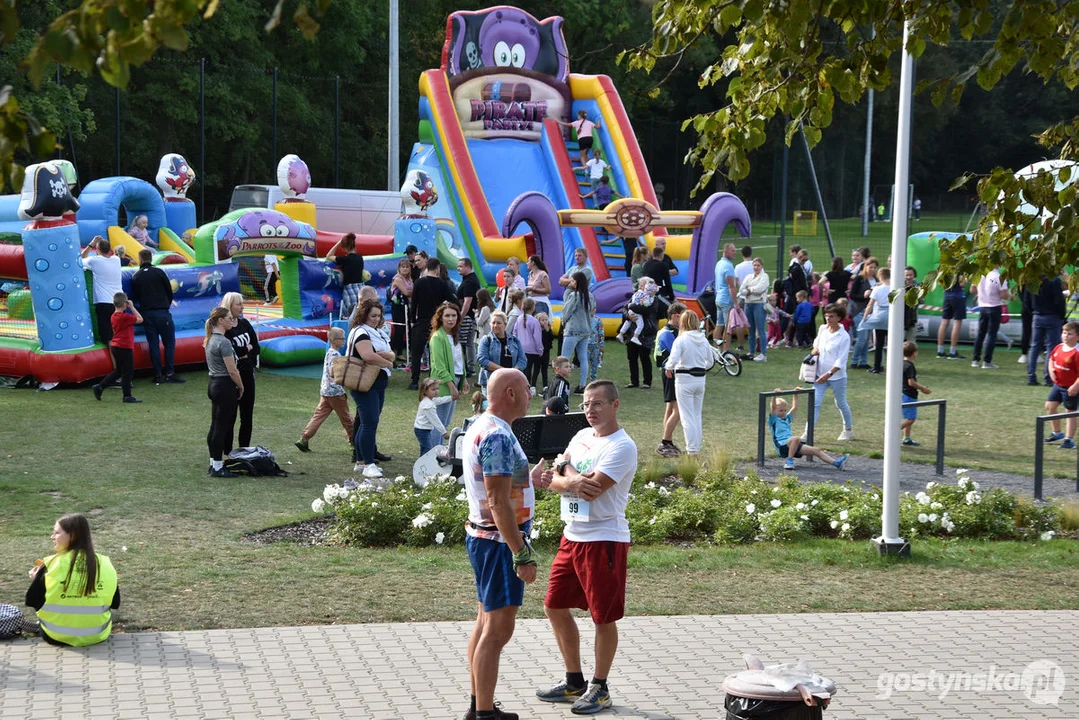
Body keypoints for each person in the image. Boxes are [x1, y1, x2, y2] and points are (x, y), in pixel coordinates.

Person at [537, 380, 638, 715]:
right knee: (554, 605)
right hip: (572, 536)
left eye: (597, 404)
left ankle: (600, 686)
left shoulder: (622, 447)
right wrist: (569, 477)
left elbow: (591, 489)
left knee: (602, 616)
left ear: (615, 405)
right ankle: (573, 681)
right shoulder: (580, 437)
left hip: (604, 539)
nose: (590, 411)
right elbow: (556, 471)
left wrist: (566, 477)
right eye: (586, 405)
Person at [461, 368, 544, 720]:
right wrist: (520, 553)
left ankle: (478, 704)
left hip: (486, 539)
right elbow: (497, 502)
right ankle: (484, 714)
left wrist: (530, 480)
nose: (531, 394)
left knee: (484, 624)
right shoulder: (496, 435)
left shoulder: (484, 426)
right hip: (498, 543)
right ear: (510, 393)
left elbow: (500, 486)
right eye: (527, 389)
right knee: (497, 630)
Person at [26, 513, 120, 647]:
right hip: (98, 635)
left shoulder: (51, 564)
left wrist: (37, 580)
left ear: (73, 535)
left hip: (55, 636)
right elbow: (115, 603)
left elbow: (32, 601)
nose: (52, 537)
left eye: (57, 533)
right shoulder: (105, 563)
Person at [347, 299, 395, 478]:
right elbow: (368, 355)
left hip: (377, 381)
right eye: (372, 315)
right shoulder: (360, 331)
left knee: (368, 422)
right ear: (364, 314)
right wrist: (387, 362)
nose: (376, 319)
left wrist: (385, 357)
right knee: (370, 422)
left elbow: (390, 352)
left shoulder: (376, 332)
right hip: (365, 382)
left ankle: (361, 461)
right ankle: (368, 464)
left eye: (378, 316)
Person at [129, 248, 184, 385]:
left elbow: (135, 295)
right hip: (162, 312)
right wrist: (166, 304)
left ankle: (158, 374)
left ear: (140, 259)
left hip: (147, 314)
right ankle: (170, 373)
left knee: (153, 345)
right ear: (151, 259)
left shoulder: (136, 276)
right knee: (169, 343)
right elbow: (169, 291)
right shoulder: (159, 272)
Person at [295, 327, 353, 452]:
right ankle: (354, 442)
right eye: (341, 338)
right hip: (336, 392)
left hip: (325, 391)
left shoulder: (328, 352)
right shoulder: (336, 355)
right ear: (333, 340)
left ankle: (304, 439)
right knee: (346, 418)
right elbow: (333, 372)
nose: (344, 340)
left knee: (318, 416)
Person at [663, 311, 713, 456]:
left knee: (687, 417)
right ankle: (696, 447)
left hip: (684, 379)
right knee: (696, 415)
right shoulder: (703, 340)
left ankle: (692, 450)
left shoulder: (681, 339)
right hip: (700, 378)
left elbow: (672, 359)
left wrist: (669, 367)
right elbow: (710, 362)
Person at [204, 306, 244, 478]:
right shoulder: (223, 342)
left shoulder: (210, 339)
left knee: (215, 425)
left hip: (214, 384)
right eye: (228, 318)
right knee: (221, 427)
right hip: (224, 385)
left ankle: (213, 462)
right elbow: (232, 370)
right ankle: (218, 467)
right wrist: (241, 386)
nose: (232, 320)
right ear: (220, 320)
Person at [768, 390, 848, 471]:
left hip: (792, 445)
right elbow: (773, 407)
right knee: (796, 438)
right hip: (782, 445)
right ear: (775, 411)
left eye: (785, 410)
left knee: (816, 450)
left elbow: (795, 407)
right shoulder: (774, 419)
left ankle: (837, 464)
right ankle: (789, 461)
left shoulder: (787, 419)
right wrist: (774, 395)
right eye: (781, 410)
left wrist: (795, 394)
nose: (783, 412)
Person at [810, 303, 856, 441]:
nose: (828, 318)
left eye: (831, 316)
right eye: (826, 315)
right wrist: (814, 350)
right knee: (815, 403)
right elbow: (816, 344)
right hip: (819, 374)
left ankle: (848, 430)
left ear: (839, 318)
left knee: (840, 403)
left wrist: (828, 374)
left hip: (837, 377)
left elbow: (841, 361)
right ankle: (808, 432)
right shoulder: (822, 329)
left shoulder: (844, 336)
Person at [221, 293, 260, 448]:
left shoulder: (245, 324)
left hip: (247, 374)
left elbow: (256, 348)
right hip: (231, 376)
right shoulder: (225, 328)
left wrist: (245, 351)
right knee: (230, 416)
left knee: (247, 416)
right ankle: (227, 452)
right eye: (238, 304)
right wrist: (244, 350)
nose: (242, 307)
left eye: (242, 304)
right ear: (229, 306)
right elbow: (234, 352)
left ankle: (244, 449)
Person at [409, 258, 453, 390]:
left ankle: (414, 381)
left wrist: (412, 320)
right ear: (438, 268)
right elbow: (451, 300)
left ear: (427, 267)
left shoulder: (419, 282)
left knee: (416, 353)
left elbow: (414, 303)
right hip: (436, 322)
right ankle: (432, 380)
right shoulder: (442, 284)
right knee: (435, 353)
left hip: (421, 320)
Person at [90, 292, 143, 404]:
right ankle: (127, 396)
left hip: (116, 346)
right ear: (124, 304)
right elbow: (140, 319)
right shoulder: (124, 317)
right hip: (124, 346)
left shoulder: (113, 316)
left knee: (119, 371)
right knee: (127, 372)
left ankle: (100, 386)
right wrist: (132, 307)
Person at [429, 301, 469, 432]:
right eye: (447, 316)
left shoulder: (454, 335)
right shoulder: (437, 337)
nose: (451, 319)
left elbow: (458, 361)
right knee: (439, 425)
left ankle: (440, 450)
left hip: (456, 379)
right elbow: (439, 366)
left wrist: (464, 380)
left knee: (445, 423)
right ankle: (434, 451)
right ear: (440, 317)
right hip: (443, 383)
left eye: (454, 315)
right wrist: (451, 386)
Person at [655, 302, 685, 457]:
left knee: (670, 408)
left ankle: (667, 440)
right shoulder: (668, 333)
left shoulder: (670, 331)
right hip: (670, 373)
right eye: (683, 316)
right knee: (678, 410)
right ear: (675, 316)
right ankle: (665, 442)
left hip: (669, 372)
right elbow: (676, 352)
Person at [81, 236, 123, 346]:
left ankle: (116, 361)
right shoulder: (116, 259)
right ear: (109, 250)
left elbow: (80, 259)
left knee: (108, 337)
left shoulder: (94, 261)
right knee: (118, 334)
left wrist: (91, 244)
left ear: (97, 250)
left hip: (104, 302)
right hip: (119, 301)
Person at [1026, 273, 1067, 386]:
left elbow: (1027, 300)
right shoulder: (1055, 280)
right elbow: (1059, 300)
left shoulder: (1033, 279)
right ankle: (1048, 377)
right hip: (1052, 316)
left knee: (1034, 347)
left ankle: (1031, 376)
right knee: (1051, 348)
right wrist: (1062, 316)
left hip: (1037, 315)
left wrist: (1033, 312)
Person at [560, 271, 596, 393]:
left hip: (573, 329)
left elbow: (567, 311)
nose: (571, 282)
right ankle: (582, 384)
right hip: (585, 330)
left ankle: (561, 383)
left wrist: (563, 321)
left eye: (573, 281)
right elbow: (592, 309)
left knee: (564, 358)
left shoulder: (574, 295)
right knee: (583, 358)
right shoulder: (590, 295)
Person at [1045, 322, 1079, 449]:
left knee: (1069, 412)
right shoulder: (1059, 347)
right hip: (1059, 385)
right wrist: (1051, 371)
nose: (1065, 336)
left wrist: (1075, 386)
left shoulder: (1076, 352)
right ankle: (1057, 433)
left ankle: (1069, 440)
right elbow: (1051, 360)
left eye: (1069, 334)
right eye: (1064, 333)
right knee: (1050, 406)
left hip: (1071, 388)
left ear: (1077, 337)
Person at [477, 311, 526, 392]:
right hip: (492, 383)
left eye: (499, 323)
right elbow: (482, 360)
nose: (495, 325)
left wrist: (513, 371)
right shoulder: (486, 340)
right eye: (493, 323)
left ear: (505, 325)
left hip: (512, 383)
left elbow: (523, 360)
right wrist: (503, 371)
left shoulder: (515, 340)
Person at [971, 267, 1010, 370]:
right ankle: (987, 361)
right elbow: (1004, 295)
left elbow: (972, 289)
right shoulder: (998, 276)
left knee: (981, 334)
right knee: (992, 334)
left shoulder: (979, 273)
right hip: (994, 306)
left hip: (983, 306)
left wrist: (982, 294)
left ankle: (975, 360)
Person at [327, 232, 366, 322]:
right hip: (361, 288)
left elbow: (328, 256)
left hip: (350, 289)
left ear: (345, 247)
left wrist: (338, 243)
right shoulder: (360, 258)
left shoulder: (345, 259)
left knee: (351, 316)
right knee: (362, 313)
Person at [849, 256, 880, 368]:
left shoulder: (876, 280)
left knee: (867, 339)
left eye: (874, 267)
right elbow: (852, 295)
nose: (872, 269)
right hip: (859, 310)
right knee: (862, 338)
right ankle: (854, 361)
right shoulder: (860, 279)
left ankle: (863, 362)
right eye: (870, 267)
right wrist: (864, 295)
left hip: (872, 311)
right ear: (865, 267)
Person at [901, 341, 932, 447]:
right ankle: (891, 432)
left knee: (908, 418)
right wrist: (922, 388)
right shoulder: (910, 366)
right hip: (909, 395)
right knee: (911, 419)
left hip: (903, 394)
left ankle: (906, 438)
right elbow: (911, 382)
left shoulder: (901, 363)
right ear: (914, 353)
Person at [862, 266, 891, 374]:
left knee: (879, 344)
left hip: (880, 316)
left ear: (880, 277)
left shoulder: (877, 289)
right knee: (893, 343)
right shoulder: (895, 288)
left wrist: (865, 317)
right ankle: (895, 366)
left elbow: (870, 305)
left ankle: (877, 367)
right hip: (892, 317)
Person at [739, 257, 770, 361]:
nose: (756, 267)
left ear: (762, 266)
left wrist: (749, 290)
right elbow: (741, 289)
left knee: (760, 329)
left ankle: (763, 354)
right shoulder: (749, 276)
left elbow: (761, 288)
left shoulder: (764, 276)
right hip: (748, 304)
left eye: (758, 265)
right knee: (751, 330)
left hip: (759, 304)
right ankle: (751, 352)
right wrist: (751, 291)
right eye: (754, 265)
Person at [457, 257, 482, 378]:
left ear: (468, 266)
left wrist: (460, 317)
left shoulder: (469, 282)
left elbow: (467, 302)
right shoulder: (468, 279)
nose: (458, 268)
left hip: (466, 317)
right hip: (469, 316)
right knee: (469, 343)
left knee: (465, 343)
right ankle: (470, 367)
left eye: (461, 266)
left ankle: (468, 367)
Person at [414, 378, 453, 456]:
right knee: (427, 449)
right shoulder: (428, 405)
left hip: (423, 429)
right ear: (425, 391)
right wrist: (444, 433)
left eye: (437, 389)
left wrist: (451, 398)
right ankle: (424, 464)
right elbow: (435, 420)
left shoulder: (430, 400)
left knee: (424, 447)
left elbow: (440, 400)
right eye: (433, 389)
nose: (436, 391)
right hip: (422, 430)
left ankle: (422, 462)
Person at [616, 278, 658, 346]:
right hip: (632, 332)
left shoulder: (653, 299)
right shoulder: (640, 294)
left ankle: (622, 334)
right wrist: (628, 316)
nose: (640, 287)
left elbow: (646, 310)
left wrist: (631, 306)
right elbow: (624, 308)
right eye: (640, 285)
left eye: (642, 285)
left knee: (644, 355)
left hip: (646, 335)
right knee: (635, 323)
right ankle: (627, 335)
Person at [936, 274, 968, 360]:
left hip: (947, 295)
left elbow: (941, 282)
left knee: (944, 322)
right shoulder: (959, 268)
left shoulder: (945, 268)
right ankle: (952, 352)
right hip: (958, 295)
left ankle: (940, 351)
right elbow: (962, 283)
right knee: (957, 322)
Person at [515, 298, 543, 393]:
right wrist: (540, 349)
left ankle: (523, 386)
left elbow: (515, 333)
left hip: (522, 348)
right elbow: (537, 337)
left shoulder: (519, 319)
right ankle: (531, 387)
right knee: (533, 369)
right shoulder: (534, 321)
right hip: (533, 349)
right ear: (532, 308)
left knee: (525, 368)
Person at [389, 257, 414, 362]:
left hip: (406, 306)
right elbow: (406, 292)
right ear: (399, 268)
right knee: (399, 330)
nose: (405, 269)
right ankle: (391, 351)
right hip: (398, 307)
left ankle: (400, 353)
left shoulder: (409, 279)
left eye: (407, 267)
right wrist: (415, 291)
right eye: (402, 267)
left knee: (406, 329)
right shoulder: (398, 279)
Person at [644, 239, 677, 304]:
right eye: (662, 244)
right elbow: (668, 282)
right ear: (656, 245)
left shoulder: (666, 258)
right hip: (658, 292)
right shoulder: (651, 262)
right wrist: (672, 297)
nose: (664, 245)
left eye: (665, 244)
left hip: (651, 292)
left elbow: (676, 271)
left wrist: (666, 272)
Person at [537, 312, 555, 391]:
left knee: (544, 368)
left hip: (546, 351)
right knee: (536, 368)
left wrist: (548, 330)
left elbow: (551, 338)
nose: (545, 321)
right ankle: (533, 385)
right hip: (538, 352)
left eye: (546, 320)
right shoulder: (537, 330)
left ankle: (545, 385)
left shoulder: (549, 329)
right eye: (542, 320)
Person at [902, 266, 919, 344]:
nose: (908, 277)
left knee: (911, 341)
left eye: (910, 275)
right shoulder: (898, 285)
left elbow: (921, 300)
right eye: (906, 275)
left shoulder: (918, 286)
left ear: (914, 275)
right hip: (900, 317)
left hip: (912, 317)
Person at [587, 314, 605, 385]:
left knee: (594, 364)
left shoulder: (598, 319)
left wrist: (601, 345)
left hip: (595, 346)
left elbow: (601, 333)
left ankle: (593, 381)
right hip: (585, 346)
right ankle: (583, 383)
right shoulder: (583, 318)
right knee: (584, 364)